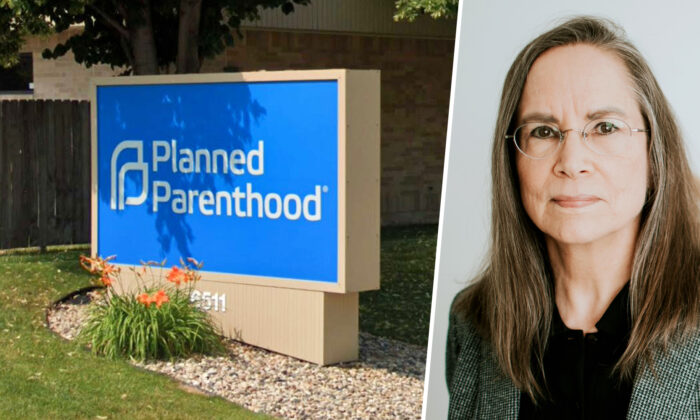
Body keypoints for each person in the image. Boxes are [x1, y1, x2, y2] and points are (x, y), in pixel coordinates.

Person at [446, 16, 700, 419]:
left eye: (604, 127)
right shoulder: (472, 323)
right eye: (544, 132)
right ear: (512, 160)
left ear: (655, 154)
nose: (572, 162)